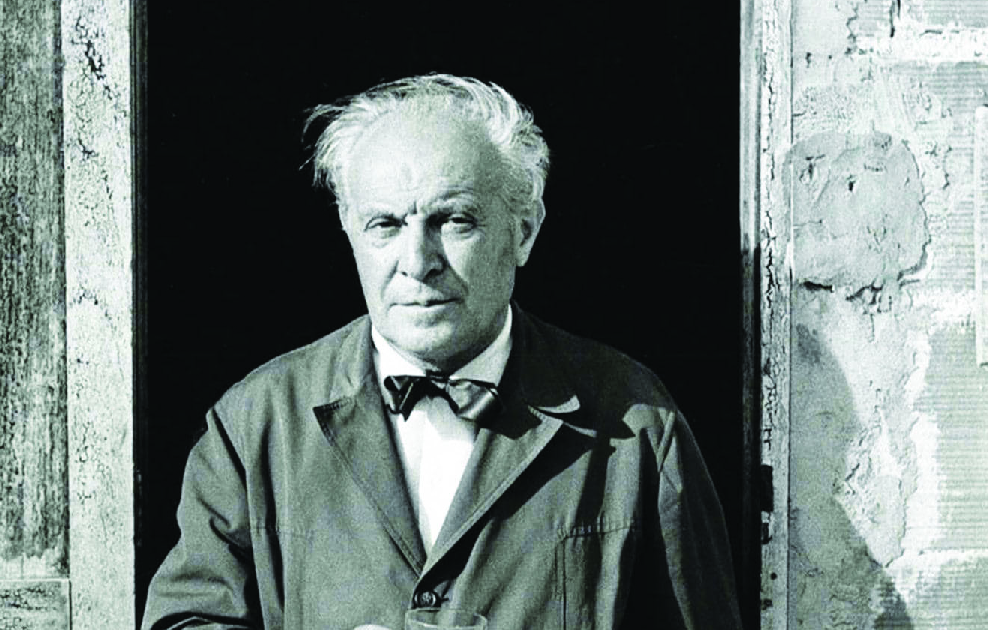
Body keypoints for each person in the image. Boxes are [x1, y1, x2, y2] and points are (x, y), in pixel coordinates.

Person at [141, 74, 743, 630]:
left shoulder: (635, 423)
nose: (417, 262)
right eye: (385, 225)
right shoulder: (256, 422)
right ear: (349, 230)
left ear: (524, 230)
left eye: (454, 220)